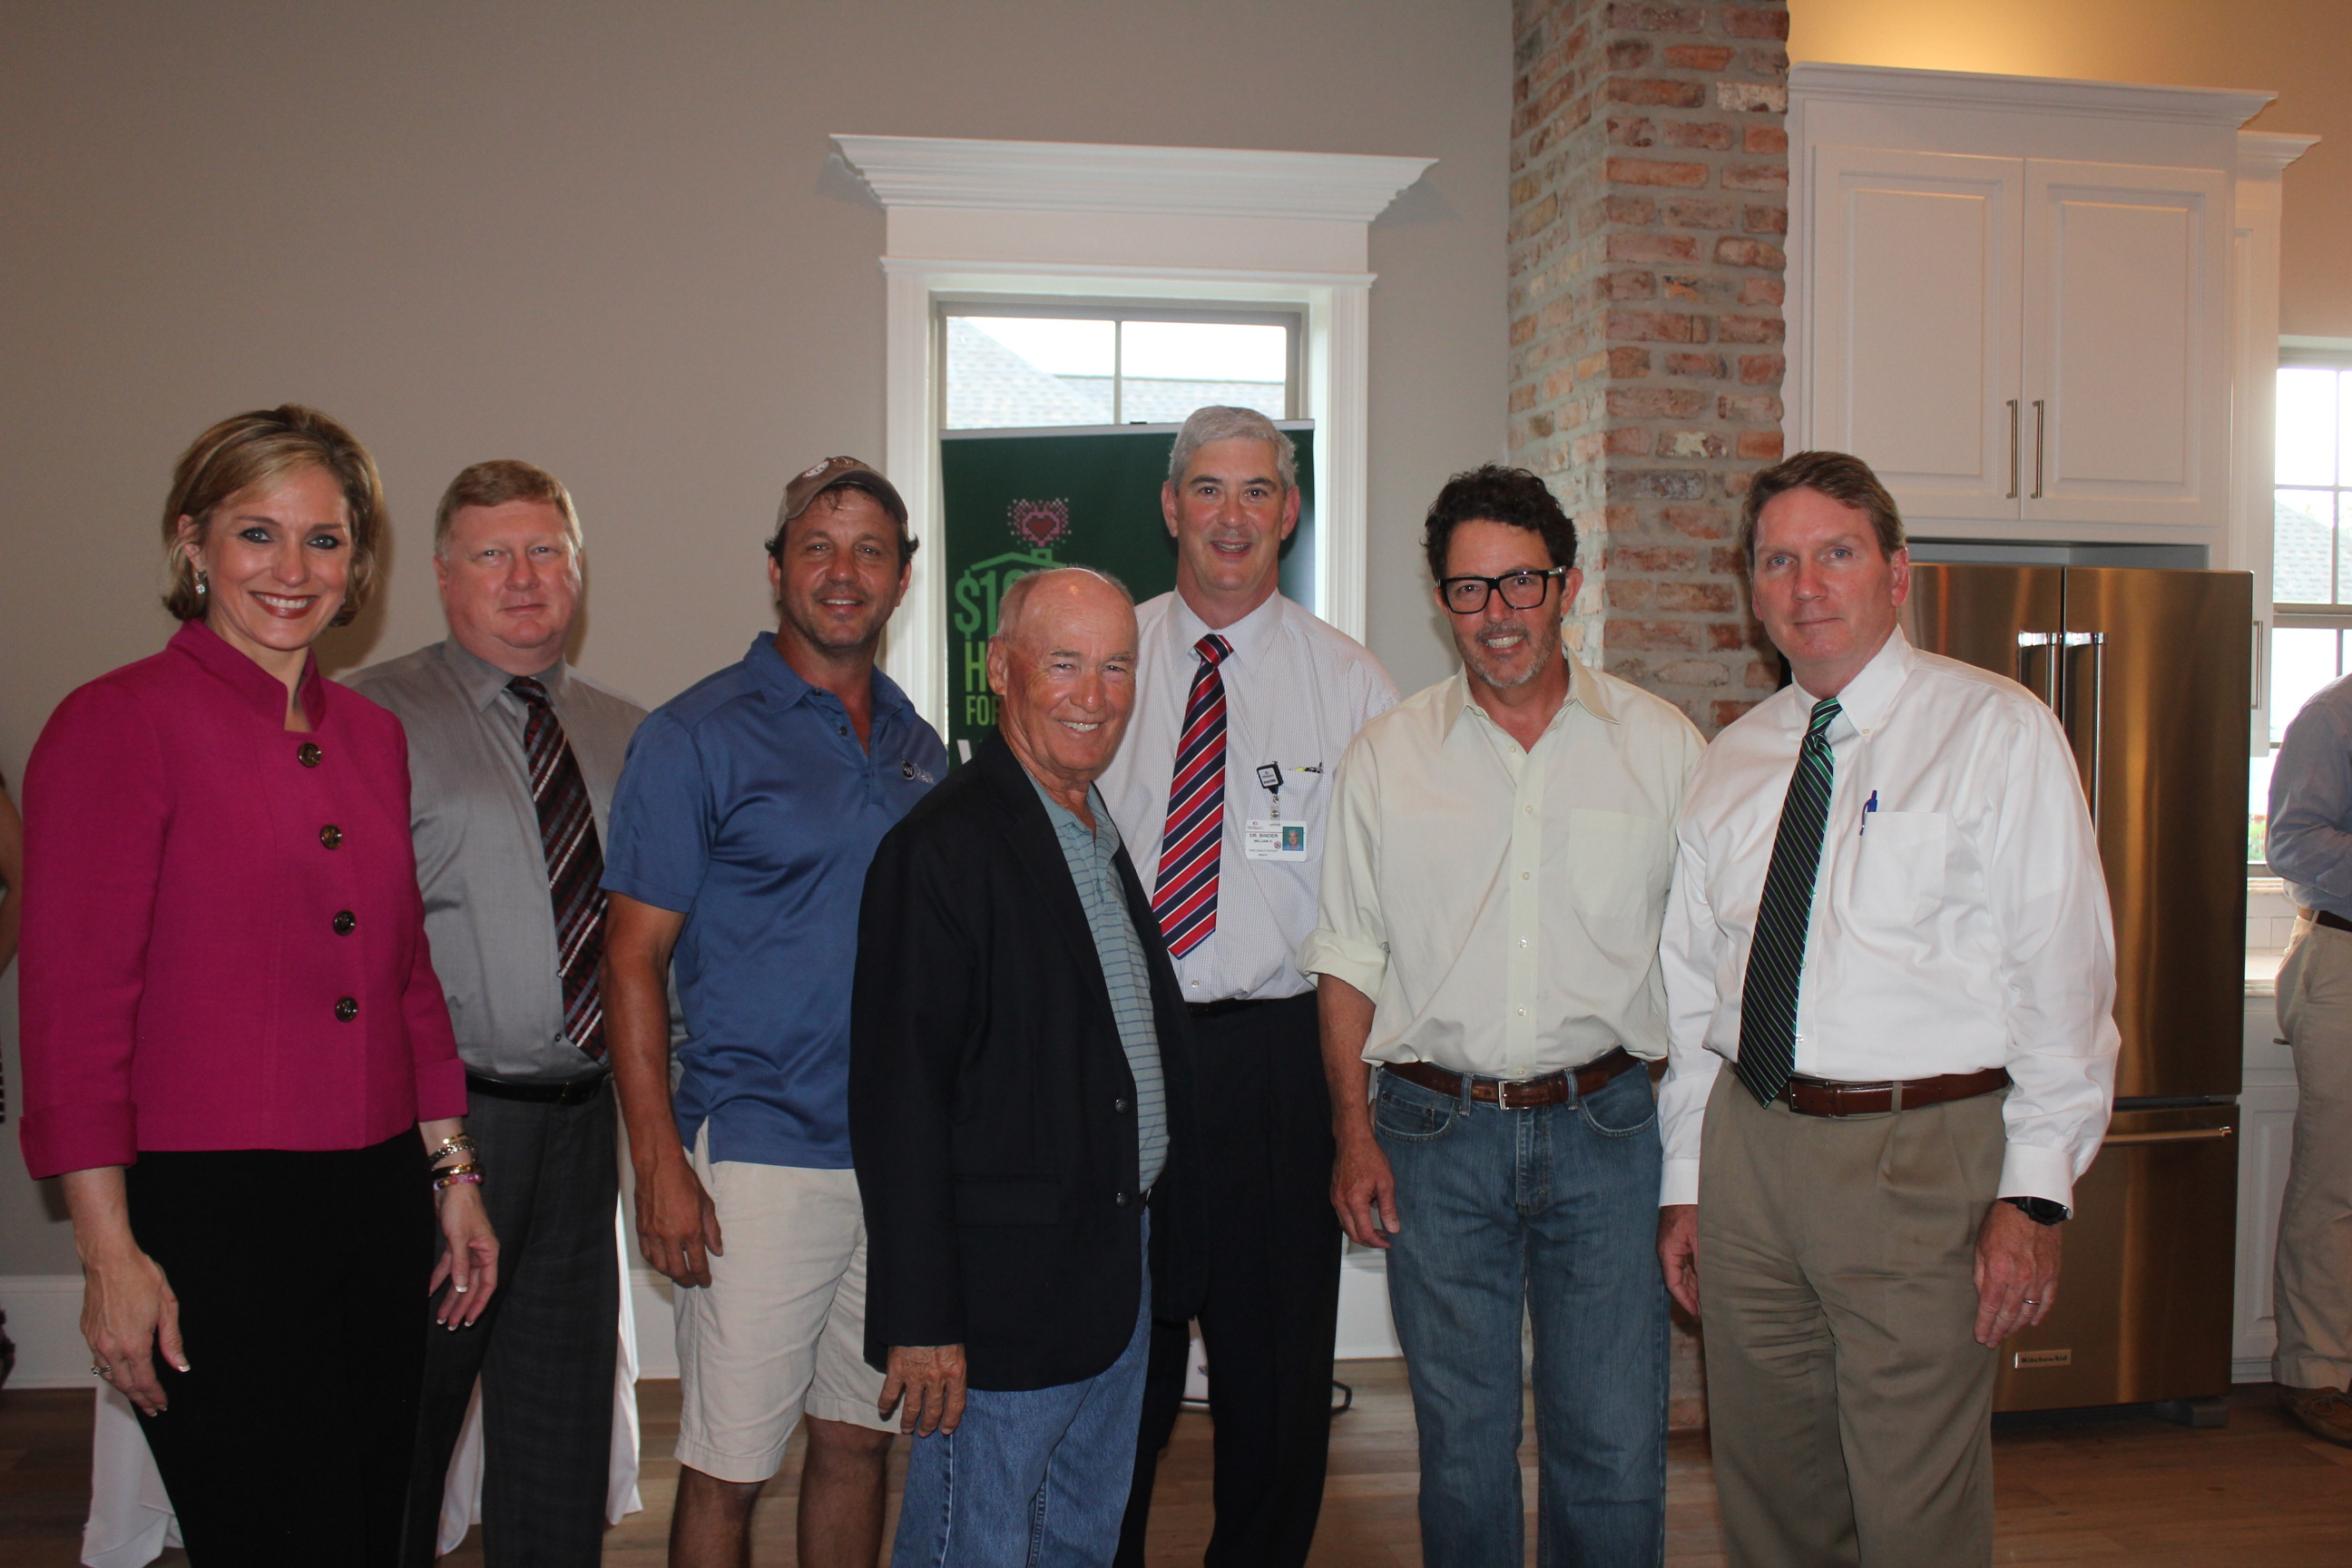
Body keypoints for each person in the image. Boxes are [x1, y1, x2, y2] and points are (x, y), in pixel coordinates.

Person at [16, 405, 496, 1566]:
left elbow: (406, 977)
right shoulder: (115, 723)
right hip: (211, 1211)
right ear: (192, 542)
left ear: (358, 560)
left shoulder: (372, 737)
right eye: (256, 533)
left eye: (324, 539)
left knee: (374, 1526)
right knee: (274, 1535)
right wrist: (108, 1254)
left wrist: (452, 1174)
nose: (293, 570)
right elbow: (74, 1013)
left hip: (376, 1199)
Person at [1656, 450, 2119, 1567]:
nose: (1807, 586)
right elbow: (1691, 997)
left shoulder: (1995, 730)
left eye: (1837, 554)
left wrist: (2036, 1196)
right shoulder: (1731, 761)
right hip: (1752, 1155)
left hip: (1922, 1160)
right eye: (1779, 561)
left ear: (1897, 573)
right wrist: (1687, 1184)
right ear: (1754, 588)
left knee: (1916, 1508)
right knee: (1770, 1492)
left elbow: (2062, 980)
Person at [1302, 465, 1701, 1566]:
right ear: (1442, 601)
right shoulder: (1388, 757)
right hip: (1433, 1139)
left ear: (1566, 585)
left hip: (1610, 1131)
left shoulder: (1662, 747)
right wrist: (1353, 1134)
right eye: (1469, 590)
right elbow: (1347, 957)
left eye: (1521, 582)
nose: (1497, 614)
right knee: (1463, 1454)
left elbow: (1709, 964)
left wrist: (1695, 1168)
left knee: (1612, 1444)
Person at [602, 456, 943, 1568]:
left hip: (891, 1164)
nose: (844, 573)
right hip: (754, 1157)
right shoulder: (695, 734)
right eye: (818, 548)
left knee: (857, 1443)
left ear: (903, 578)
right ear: (776, 569)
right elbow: (631, 960)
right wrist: (658, 1159)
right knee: (728, 1469)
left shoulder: (918, 745)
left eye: (870, 552)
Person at [852, 566, 1205, 1568]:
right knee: (977, 1545)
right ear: (1001, 671)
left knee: (1079, 1543)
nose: (1093, 695)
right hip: (1002, 1302)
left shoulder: (1089, 822)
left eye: (1116, 667)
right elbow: (898, 1102)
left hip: (1112, 1274)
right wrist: (923, 1318)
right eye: (1064, 664)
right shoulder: (941, 849)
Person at [1097, 406, 1396, 1568]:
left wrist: (1356, 1114)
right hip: (1121, 1053)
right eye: (1209, 490)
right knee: (1119, 1363)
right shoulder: (1105, 659)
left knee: (1276, 1381)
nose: (1232, 516)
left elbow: (1374, 918)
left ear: (1290, 509)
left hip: (1279, 1060)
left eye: (1257, 490)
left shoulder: (1351, 685)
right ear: (1171, 506)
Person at [346, 460, 648, 1564]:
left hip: (585, 1123)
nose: (524, 578)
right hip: (436, 1128)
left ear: (578, 569)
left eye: (545, 552)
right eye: (492, 555)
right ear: (442, 575)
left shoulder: (629, 735)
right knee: (407, 1424)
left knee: (561, 1434)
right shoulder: (368, 718)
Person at [2264, 673, 2352, 1445]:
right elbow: (2290, 842)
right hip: (2345, 958)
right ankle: (2315, 1372)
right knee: (2336, 1184)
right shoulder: (2334, 715)